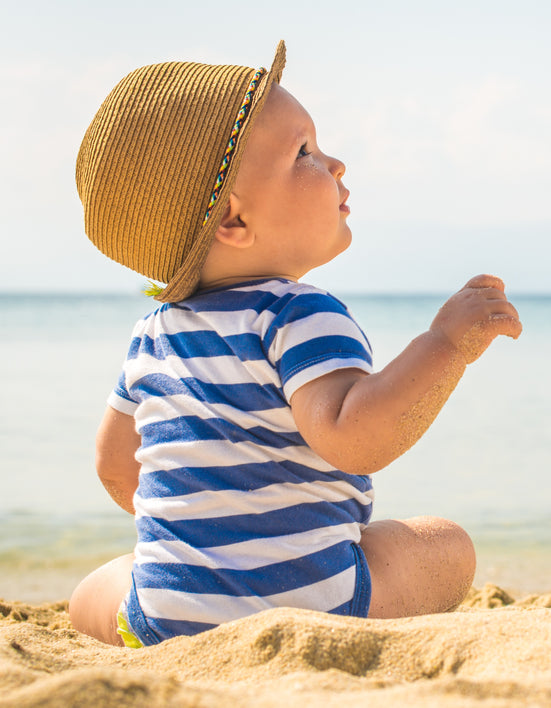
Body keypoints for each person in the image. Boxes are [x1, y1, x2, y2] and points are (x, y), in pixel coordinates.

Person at [68, 41, 522, 647]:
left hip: (170, 618)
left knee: (92, 592)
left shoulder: (154, 333)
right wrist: (445, 345)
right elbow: (354, 435)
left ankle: (159, 608)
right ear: (234, 222)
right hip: (315, 607)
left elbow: (114, 466)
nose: (335, 164)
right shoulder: (297, 312)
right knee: (446, 545)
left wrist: (210, 539)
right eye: (303, 152)